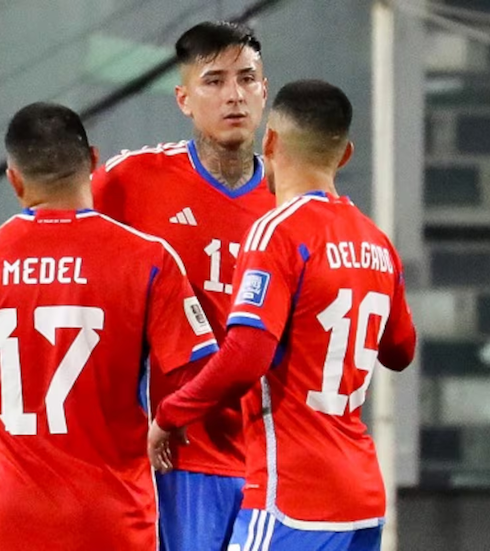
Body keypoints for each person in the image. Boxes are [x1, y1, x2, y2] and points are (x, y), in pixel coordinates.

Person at [148, 79, 417, 551]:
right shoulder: (377, 243)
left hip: (293, 494)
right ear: (345, 155)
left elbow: (246, 357)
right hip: (362, 498)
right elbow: (400, 351)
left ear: (269, 142)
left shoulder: (276, 232)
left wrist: (171, 413)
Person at [0, 102, 218, 550]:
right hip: (112, 521)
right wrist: (170, 420)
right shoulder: (149, 260)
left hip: (8, 522)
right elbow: (203, 374)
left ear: (13, 180)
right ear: (92, 161)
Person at [91, 21, 274, 550]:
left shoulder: (291, 199)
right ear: (184, 100)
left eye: (246, 78)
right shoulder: (130, 182)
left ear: (264, 90)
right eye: (214, 81)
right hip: (174, 457)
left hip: (275, 462)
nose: (234, 95)